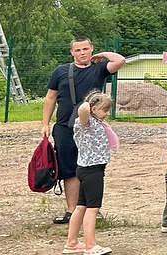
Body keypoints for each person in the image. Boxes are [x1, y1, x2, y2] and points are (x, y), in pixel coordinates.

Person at [41, 38, 126, 224]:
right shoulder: (61, 71)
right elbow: (50, 98)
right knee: (69, 169)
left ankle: (92, 209)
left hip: (92, 129)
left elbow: (120, 60)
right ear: (72, 52)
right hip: (64, 127)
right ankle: (72, 211)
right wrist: (45, 123)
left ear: (91, 49)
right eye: (78, 49)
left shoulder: (99, 69)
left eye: (86, 49)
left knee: (92, 168)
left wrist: (101, 56)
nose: (82, 52)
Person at [62, 91, 117, 255]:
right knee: (93, 209)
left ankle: (71, 243)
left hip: (88, 169)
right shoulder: (85, 122)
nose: (106, 113)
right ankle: (90, 245)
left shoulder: (97, 123)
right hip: (92, 170)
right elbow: (83, 109)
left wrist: (95, 105)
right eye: (104, 109)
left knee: (81, 207)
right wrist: (90, 103)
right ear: (93, 108)